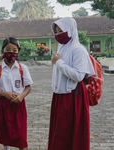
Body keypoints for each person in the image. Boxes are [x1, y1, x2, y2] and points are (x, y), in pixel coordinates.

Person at [48, 17, 95, 150]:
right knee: (60, 133)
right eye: (56, 31)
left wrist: (59, 62)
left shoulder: (78, 49)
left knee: (70, 132)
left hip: (73, 95)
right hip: (59, 96)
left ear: (70, 29)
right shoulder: (61, 48)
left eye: (61, 30)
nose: (58, 34)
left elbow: (79, 76)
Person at [0, 37, 33, 150]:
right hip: (3, 104)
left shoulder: (23, 68)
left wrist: (21, 96)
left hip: (18, 104)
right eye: (7, 50)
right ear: (2, 51)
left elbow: (28, 87)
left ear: (18, 52)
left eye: (14, 50)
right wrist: (5, 94)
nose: (11, 53)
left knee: (21, 137)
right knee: (4, 132)